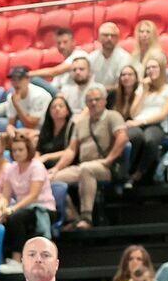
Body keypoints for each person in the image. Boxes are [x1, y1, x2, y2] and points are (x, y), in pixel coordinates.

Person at [50, 86, 129, 230]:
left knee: (87, 169)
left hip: (106, 166)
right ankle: (72, 216)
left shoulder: (113, 116)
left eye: (97, 99)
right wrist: (56, 168)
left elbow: (122, 138)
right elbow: (71, 150)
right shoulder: (80, 123)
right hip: (83, 165)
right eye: (90, 100)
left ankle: (86, 217)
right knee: (51, 179)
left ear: (104, 101)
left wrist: (109, 159)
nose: (93, 103)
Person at [0, 134, 55, 269]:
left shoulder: (37, 167)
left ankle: (17, 260)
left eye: (20, 150)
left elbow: (33, 195)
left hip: (42, 209)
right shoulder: (11, 169)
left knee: (16, 217)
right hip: (21, 208)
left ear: (28, 150)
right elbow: (5, 196)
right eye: (14, 150)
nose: (17, 153)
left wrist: (12, 209)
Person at [126, 58, 168, 185]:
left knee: (149, 139)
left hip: (157, 125)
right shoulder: (142, 88)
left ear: (161, 69)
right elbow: (133, 113)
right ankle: (125, 172)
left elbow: (164, 114)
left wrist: (142, 122)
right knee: (133, 136)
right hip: (137, 123)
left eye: (154, 67)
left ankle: (139, 173)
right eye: (148, 68)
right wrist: (144, 91)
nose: (150, 70)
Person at [0, 66, 52, 140]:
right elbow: (11, 124)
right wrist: (10, 130)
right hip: (28, 131)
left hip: (46, 131)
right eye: (13, 79)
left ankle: (4, 107)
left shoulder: (39, 95)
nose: (16, 83)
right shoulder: (11, 97)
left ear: (28, 79)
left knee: (30, 139)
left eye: (19, 79)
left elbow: (31, 125)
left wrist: (16, 105)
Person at [87, 22, 134, 89]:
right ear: (99, 37)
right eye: (105, 35)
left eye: (113, 36)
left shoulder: (125, 57)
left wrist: (101, 90)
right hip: (94, 93)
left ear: (118, 39)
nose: (109, 38)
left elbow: (123, 85)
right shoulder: (91, 57)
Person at [37, 95, 75, 168]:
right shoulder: (46, 127)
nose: (57, 109)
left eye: (61, 106)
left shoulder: (72, 127)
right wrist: (36, 160)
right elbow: (38, 149)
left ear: (67, 111)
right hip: (43, 164)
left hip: (64, 164)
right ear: (49, 112)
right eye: (53, 107)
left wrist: (47, 156)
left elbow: (71, 150)